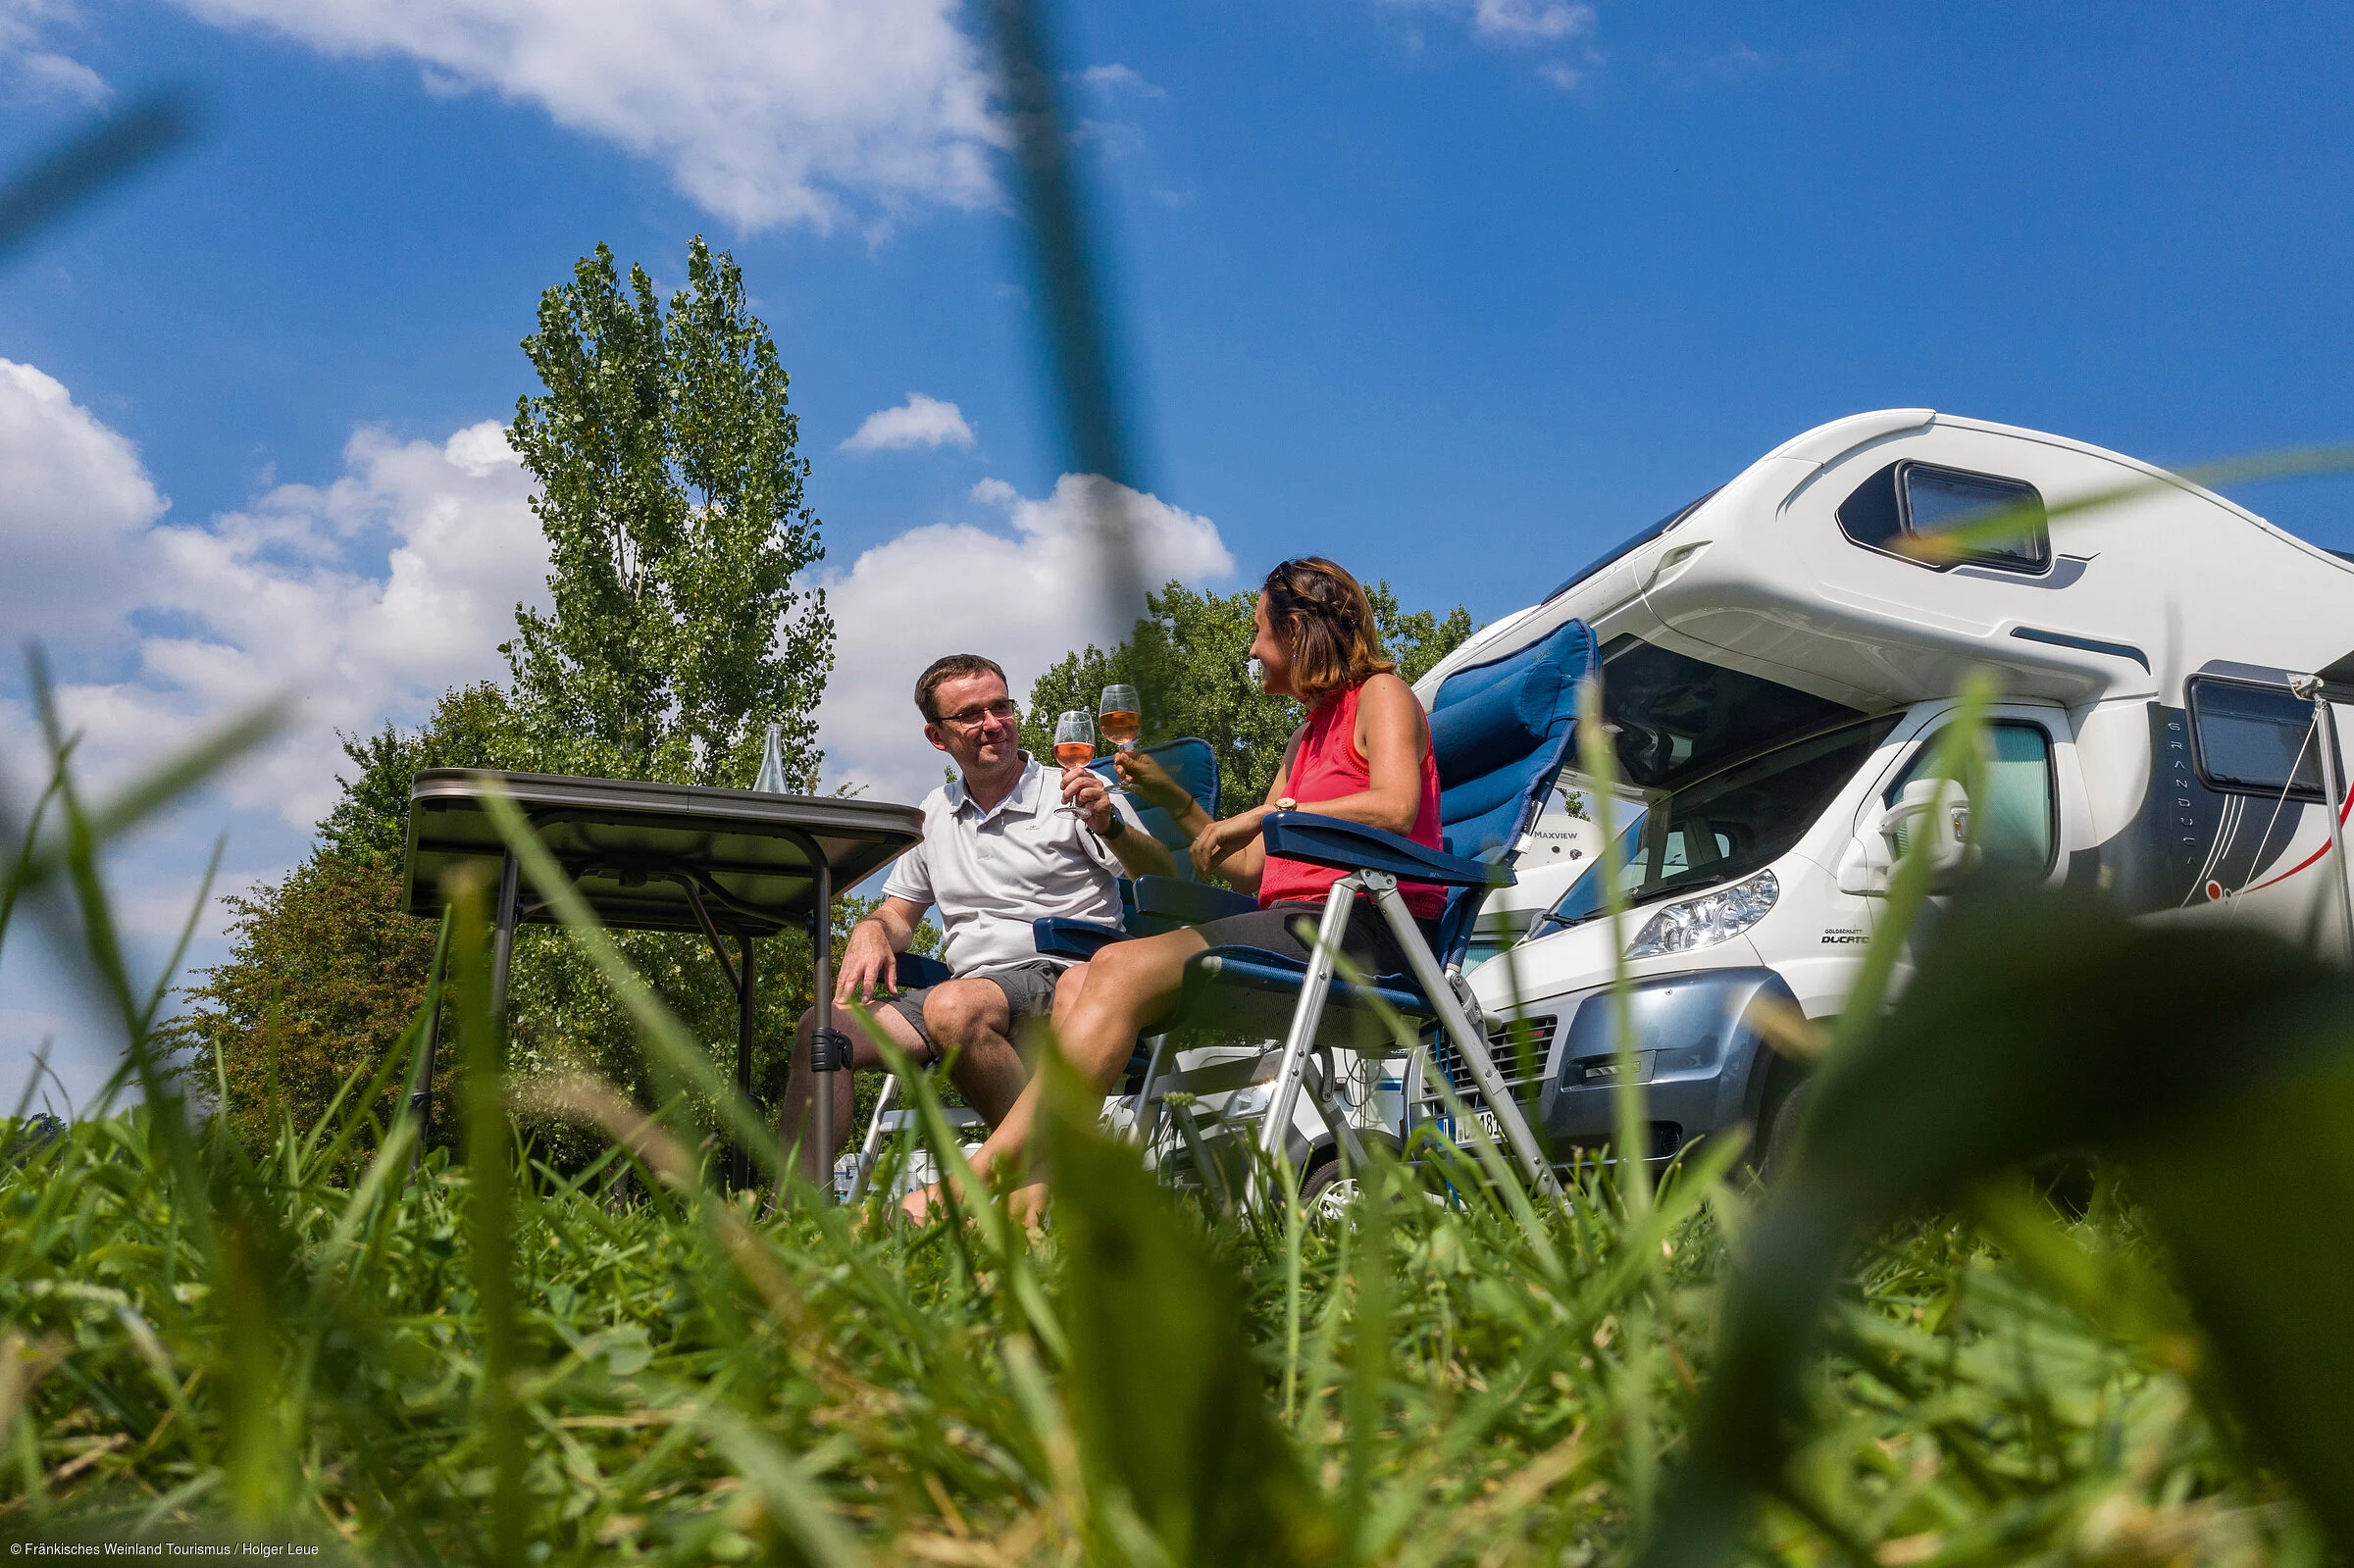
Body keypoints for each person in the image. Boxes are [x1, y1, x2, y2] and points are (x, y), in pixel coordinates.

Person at [904, 558, 1444, 1225]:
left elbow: (1394, 804)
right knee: (1091, 976)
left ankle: (971, 1186)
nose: (1250, 647)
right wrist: (1174, 798)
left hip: (1364, 939)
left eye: (1258, 631)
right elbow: (1247, 864)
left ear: (1298, 630)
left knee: (1124, 966)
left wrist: (1262, 815)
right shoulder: (1307, 733)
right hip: (1301, 934)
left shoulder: (1382, 695)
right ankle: (1037, 1204)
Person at [777, 653, 1174, 1187]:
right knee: (823, 1029)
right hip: (967, 989)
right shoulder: (934, 813)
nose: (993, 724)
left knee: (953, 1006)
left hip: (1066, 975)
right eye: (971, 714)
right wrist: (872, 930)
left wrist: (1112, 826)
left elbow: (1163, 875)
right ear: (937, 737)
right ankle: (796, 1221)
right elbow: (899, 913)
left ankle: (1049, 1185)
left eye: (1001, 706)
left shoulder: (1074, 791)